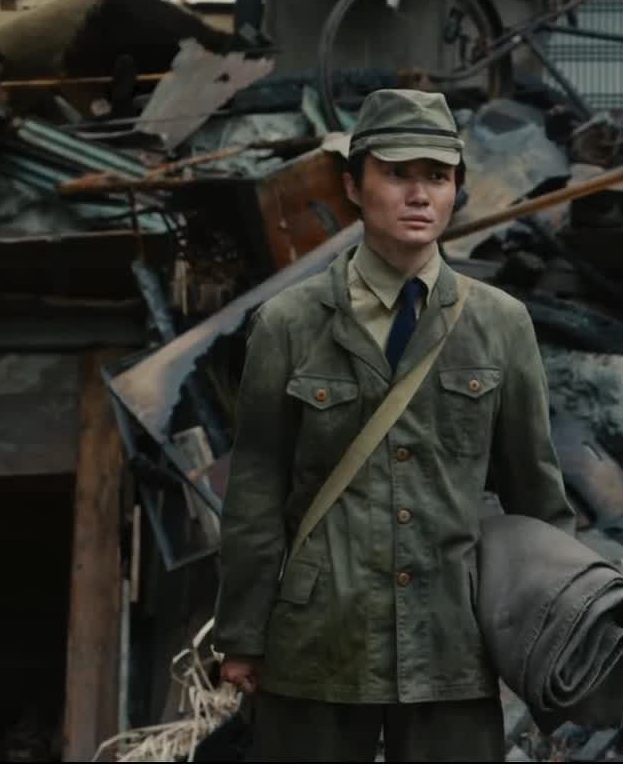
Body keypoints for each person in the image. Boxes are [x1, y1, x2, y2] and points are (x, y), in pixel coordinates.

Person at [211, 88, 575, 761]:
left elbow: (536, 495)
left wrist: (558, 630)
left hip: (452, 639)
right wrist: (242, 632)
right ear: (353, 186)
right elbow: (256, 491)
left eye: (436, 176)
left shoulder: (499, 325)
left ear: (455, 189)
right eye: (397, 173)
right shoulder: (289, 325)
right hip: (319, 637)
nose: (418, 194)